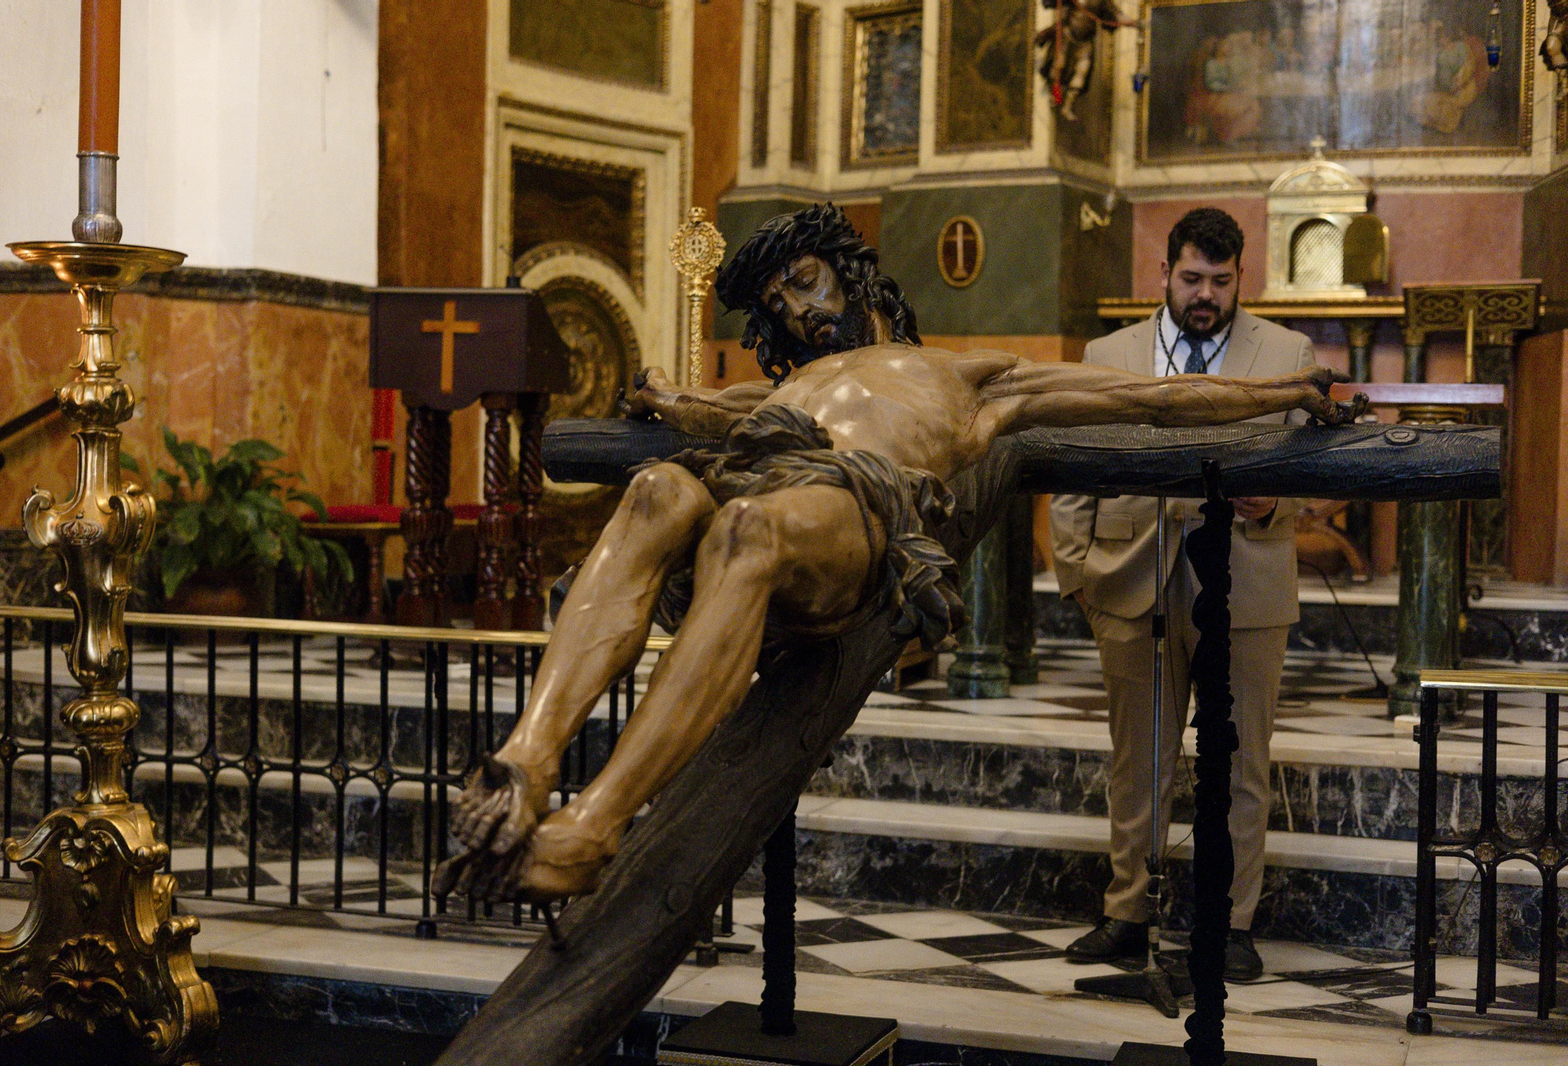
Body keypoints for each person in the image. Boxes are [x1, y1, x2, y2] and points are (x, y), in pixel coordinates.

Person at [434, 204, 1360, 907]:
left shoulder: (963, 375)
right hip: (759, 471)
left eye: (805, 280)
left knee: (748, 531)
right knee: (658, 491)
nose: (797, 309)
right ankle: (525, 763)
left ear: (852, 273)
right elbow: (689, 413)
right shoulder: (784, 383)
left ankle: (593, 827)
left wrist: (1287, 392)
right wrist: (664, 400)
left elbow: (1152, 401)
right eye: (778, 303)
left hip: (849, 512)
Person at [1050, 207, 1318, 983]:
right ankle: (1127, 912)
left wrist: (1278, 504)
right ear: (1163, 274)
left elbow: (1308, 461)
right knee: (1139, 761)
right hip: (1133, 581)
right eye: (1192, 279)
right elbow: (1073, 467)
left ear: (1242, 280)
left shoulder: (1284, 351)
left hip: (1248, 584)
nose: (1205, 295)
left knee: (1240, 764)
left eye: (1221, 282)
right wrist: (1079, 575)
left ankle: (1230, 923)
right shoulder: (1110, 354)